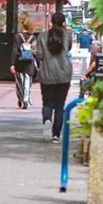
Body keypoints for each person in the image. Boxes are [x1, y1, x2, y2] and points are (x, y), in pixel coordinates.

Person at [34, 11, 73, 143]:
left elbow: (39, 55)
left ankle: (47, 120)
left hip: (46, 74)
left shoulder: (42, 36)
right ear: (63, 22)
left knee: (47, 102)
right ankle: (56, 135)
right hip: (64, 73)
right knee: (59, 105)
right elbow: (68, 49)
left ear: (51, 21)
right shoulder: (67, 36)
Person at [10, 16, 37, 110]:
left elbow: (14, 50)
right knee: (27, 81)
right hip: (29, 63)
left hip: (19, 62)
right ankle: (26, 99)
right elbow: (35, 51)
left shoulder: (17, 36)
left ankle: (20, 98)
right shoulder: (33, 38)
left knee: (19, 82)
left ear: (23, 26)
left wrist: (12, 64)